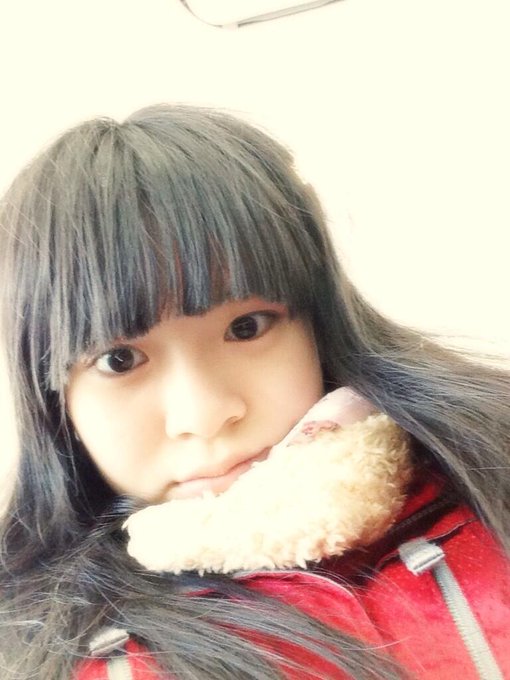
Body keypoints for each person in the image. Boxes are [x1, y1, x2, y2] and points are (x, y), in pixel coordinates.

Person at [0, 104, 508, 680]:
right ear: (54, 399)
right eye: (120, 360)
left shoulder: (489, 478)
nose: (204, 415)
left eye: (246, 327)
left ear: (319, 323)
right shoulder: (65, 656)